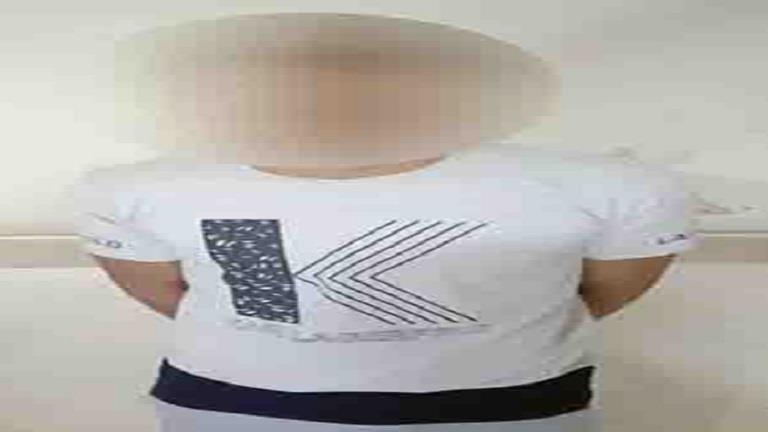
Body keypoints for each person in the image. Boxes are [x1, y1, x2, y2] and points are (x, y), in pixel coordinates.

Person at [69, 12, 700, 432]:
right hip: (230, 404)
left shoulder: (617, 188)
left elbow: (598, 293)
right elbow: (164, 291)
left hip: (513, 405)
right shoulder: (134, 189)